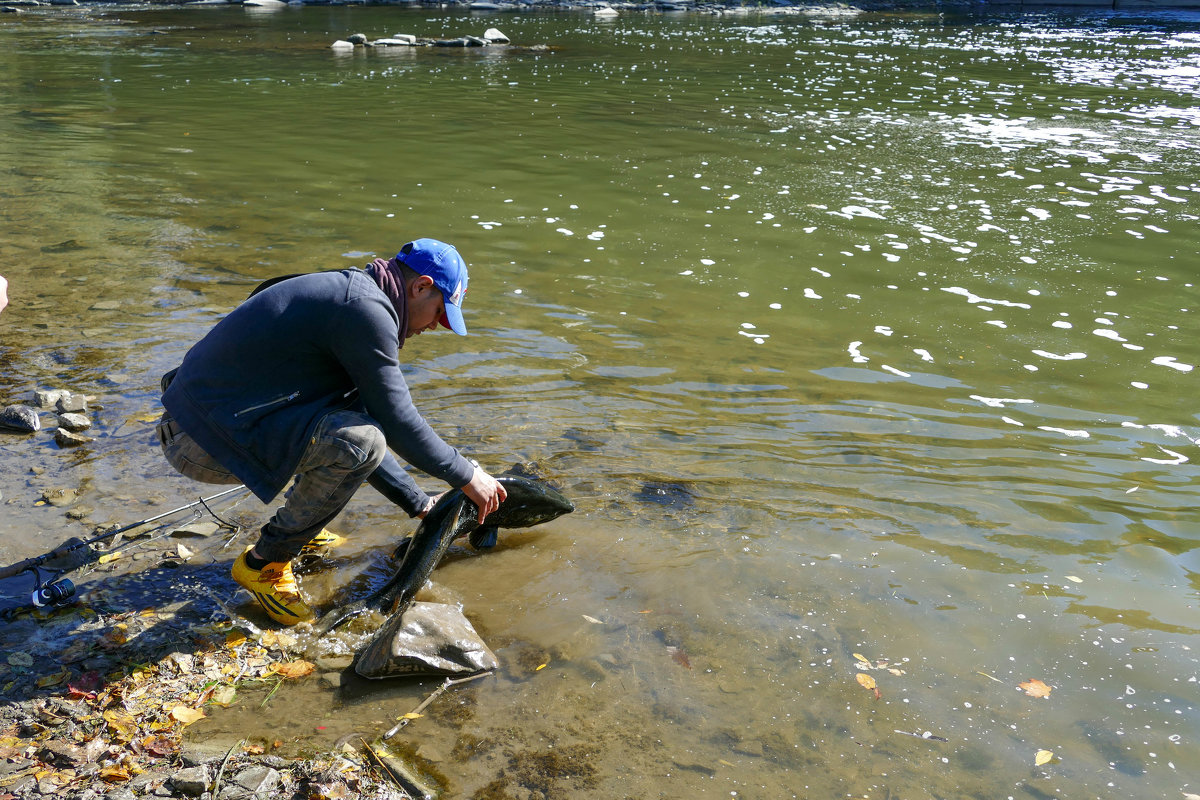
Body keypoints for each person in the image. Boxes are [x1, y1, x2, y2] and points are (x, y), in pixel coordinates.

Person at [157, 239, 507, 626]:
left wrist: (418, 502)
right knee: (358, 444)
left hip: (201, 423)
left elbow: (358, 412)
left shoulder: (349, 295)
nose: (436, 326)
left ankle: (301, 528)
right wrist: (468, 475)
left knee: (350, 432)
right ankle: (264, 563)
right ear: (421, 286)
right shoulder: (365, 312)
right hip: (198, 442)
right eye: (440, 312)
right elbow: (396, 421)